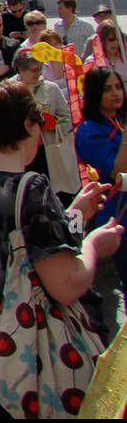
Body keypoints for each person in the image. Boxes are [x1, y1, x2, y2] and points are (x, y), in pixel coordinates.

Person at [0, 80, 121, 419]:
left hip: (3, 349)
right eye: (40, 124)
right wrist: (95, 243)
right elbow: (67, 285)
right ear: (27, 124)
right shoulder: (32, 186)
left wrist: (74, 214)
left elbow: (26, 244)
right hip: (43, 358)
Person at [74, 67, 127, 296]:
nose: (115, 93)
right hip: (121, 214)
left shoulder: (121, 119)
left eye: (118, 86)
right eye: (107, 89)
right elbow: (120, 173)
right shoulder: (89, 131)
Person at [13, 50, 78, 202]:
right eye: (34, 70)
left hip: (50, 150)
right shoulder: (10, 90)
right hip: (22, 152)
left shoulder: (52, 88)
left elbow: (67, 117)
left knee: (56, 195)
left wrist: (54, 125)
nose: (39, 74)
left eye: (40, 68)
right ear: (21, 70)